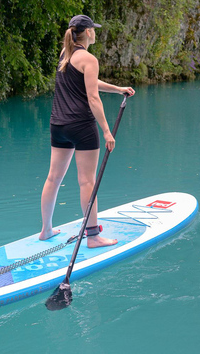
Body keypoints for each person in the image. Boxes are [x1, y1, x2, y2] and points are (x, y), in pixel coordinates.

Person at [39, 14, 135, 248]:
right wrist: (106, 131)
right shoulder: (89, 58)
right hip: (81, 126)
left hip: (58, 125)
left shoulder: (66, 54)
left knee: (53, 178)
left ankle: (46, 230)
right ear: (89, 32)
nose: (95, 33)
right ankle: (93, 237)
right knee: (86, 182)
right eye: (94, 29)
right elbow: (92, 97)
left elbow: (91, 83)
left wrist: (117, 89)